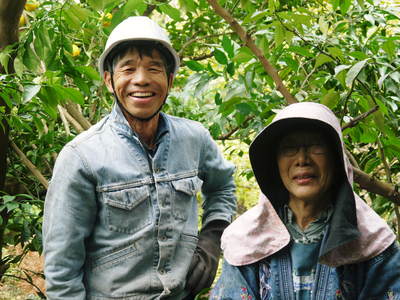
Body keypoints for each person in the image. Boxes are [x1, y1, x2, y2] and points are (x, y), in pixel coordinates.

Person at [43, 16, 236, 299]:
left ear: (169, 80)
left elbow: (222, 185)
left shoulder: (194, 139)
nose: (142, 79)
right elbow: (62, 269)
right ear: (110, 80)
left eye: (154, 68)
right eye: (128, 69)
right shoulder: (82, 157)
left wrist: (212, 237)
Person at [210, 102, 400, 299]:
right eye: (289, 148)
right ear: (275, 163)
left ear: (336, 159)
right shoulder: (245, 239)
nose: (302, 159)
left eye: (316, 146)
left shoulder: (374, 240)